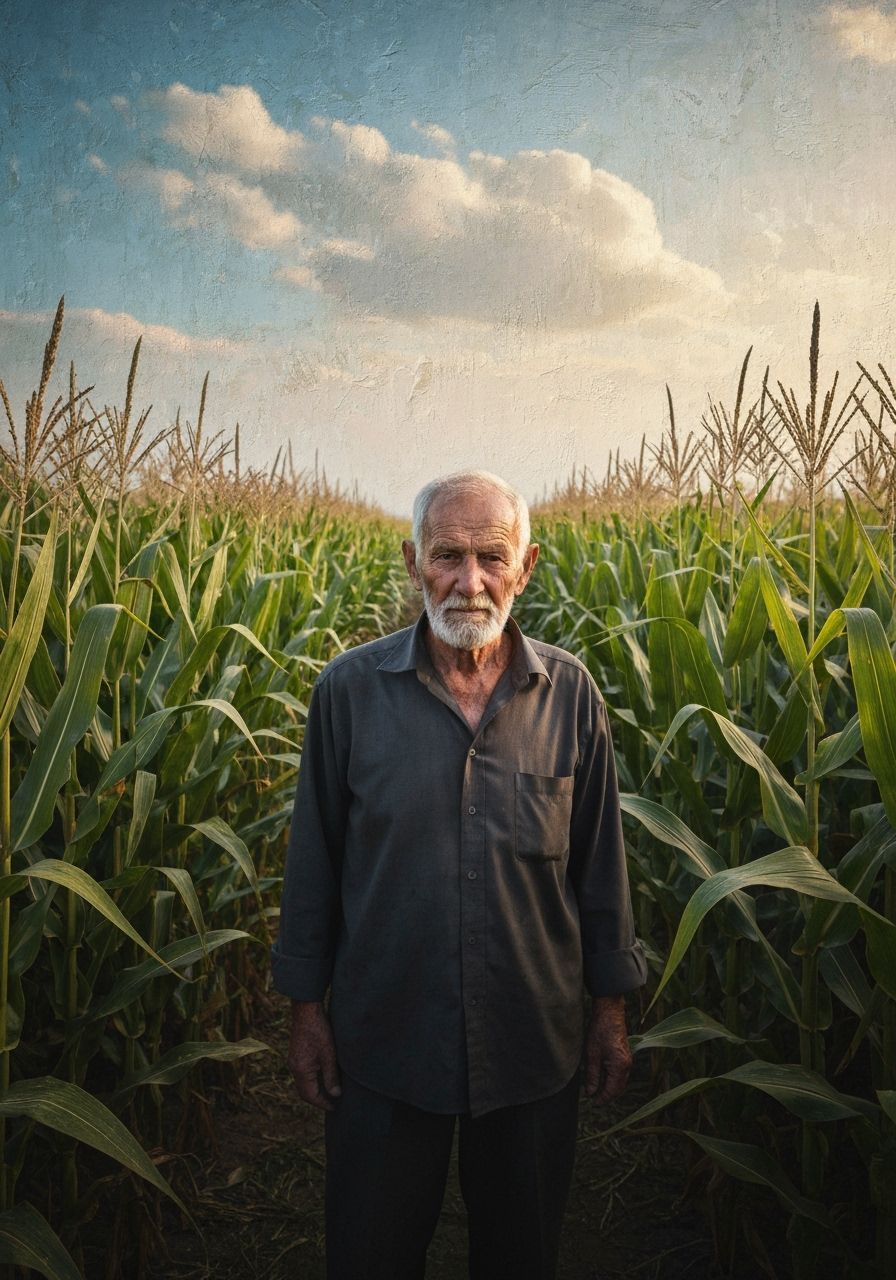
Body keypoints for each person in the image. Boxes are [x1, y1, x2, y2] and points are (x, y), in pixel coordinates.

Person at [271, 469, 647, 1280]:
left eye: (491, 556)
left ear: (527, 567)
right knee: (371, 1253)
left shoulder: (571, 696)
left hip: (530, 1046)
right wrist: (306, 1011)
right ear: (412, 563)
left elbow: (599, 865)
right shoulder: (348, 693)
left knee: (519, 1256)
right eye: (447, 555)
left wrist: (608, 1011)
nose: (469, 581)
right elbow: (316, 863)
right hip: (385, 1042)